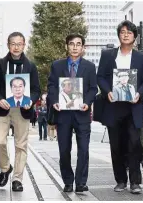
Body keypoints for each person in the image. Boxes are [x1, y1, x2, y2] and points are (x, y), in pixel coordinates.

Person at [97, 20, 143, 194]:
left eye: (129, 32)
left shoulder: (141, 57)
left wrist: (139, 94)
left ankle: (135, 182)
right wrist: (107, 92)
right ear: (119, 35)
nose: (126, 34)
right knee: (116, 145)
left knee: (134, 143)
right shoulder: (107, 55)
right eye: (123, 32)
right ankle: (120, 180)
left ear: (135, 36)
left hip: (133, 106)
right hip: (113, 106)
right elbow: (101, 78)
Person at [0, 32, 41, 192]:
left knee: (21, 145)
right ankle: (5, 168)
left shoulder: (31, 65)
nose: (16, 47)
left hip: (22, 110)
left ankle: (17, 179)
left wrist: (30, 101)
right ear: (8, 45)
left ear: (24, 45)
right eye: (13, 43)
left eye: (20, 43)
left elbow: (36, 89)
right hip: (3, 108)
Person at [47, 34, 97, 193]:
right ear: (66, 46)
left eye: (78, 44)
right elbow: (52, 86)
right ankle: (68, 181)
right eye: (71, 44)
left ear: (83, 48)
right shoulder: (57, 65)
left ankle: (81, 182)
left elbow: (93, 88)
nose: (75, 47)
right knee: (64, 149)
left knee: (83, 149)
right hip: (63, 114)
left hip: (82, 114)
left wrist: (87, 102)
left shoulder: (89, 66)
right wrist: (54, 100)